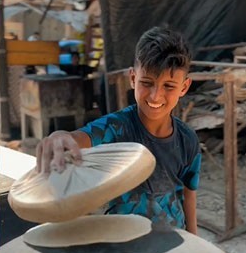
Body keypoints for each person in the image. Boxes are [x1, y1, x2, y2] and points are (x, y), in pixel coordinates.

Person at [36, 26, 200, 234]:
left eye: (169, 86)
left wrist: (195, 241)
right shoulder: (115, 128)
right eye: (147, 83)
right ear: (132, 78)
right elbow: (80, 138)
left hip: (173, 240)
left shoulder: (188, 139)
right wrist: (59, 137)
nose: (155, 96)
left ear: (184, 88)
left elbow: (189, 193)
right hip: (121, 243)